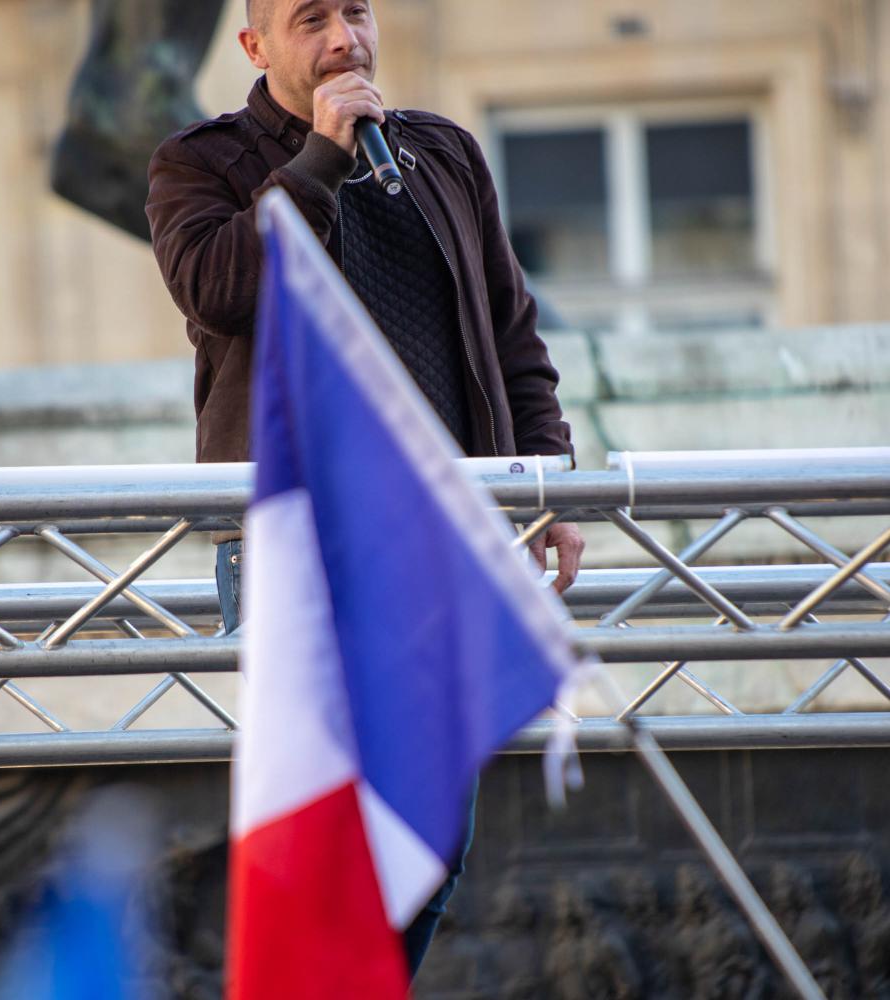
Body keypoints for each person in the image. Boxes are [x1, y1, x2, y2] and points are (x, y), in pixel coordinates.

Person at [145, 0, 584, 976]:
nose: (344, 38)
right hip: (299, 545)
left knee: (432, 835)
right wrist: (318, 162)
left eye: (356, 10)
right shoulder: (200, 164)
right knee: (333, 825)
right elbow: (217, 288)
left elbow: (513, 333)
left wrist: (547, 485)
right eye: (312, 20)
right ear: (255, 46)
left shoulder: (443, 154)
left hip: (443, 540)